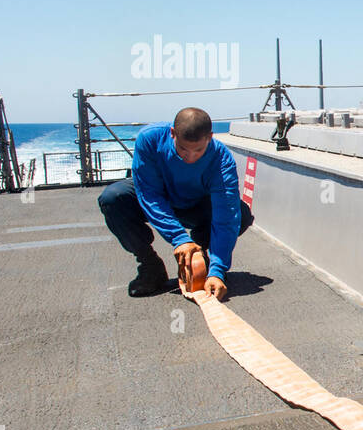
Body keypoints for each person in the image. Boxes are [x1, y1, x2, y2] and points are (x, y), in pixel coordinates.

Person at [98, 106, 252, 300]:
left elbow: (226, 215)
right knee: (113, 198)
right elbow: (149, 194)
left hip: (197, 205)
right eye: (183, 149)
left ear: (210, 137)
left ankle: (201, 256)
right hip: (160, 198)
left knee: (241, 213)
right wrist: (179, 238)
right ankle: (150, 266)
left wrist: (218, 271)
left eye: (199, 150)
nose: (190, 157)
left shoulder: (222, 159)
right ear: (173, 133)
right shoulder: (149, 139)